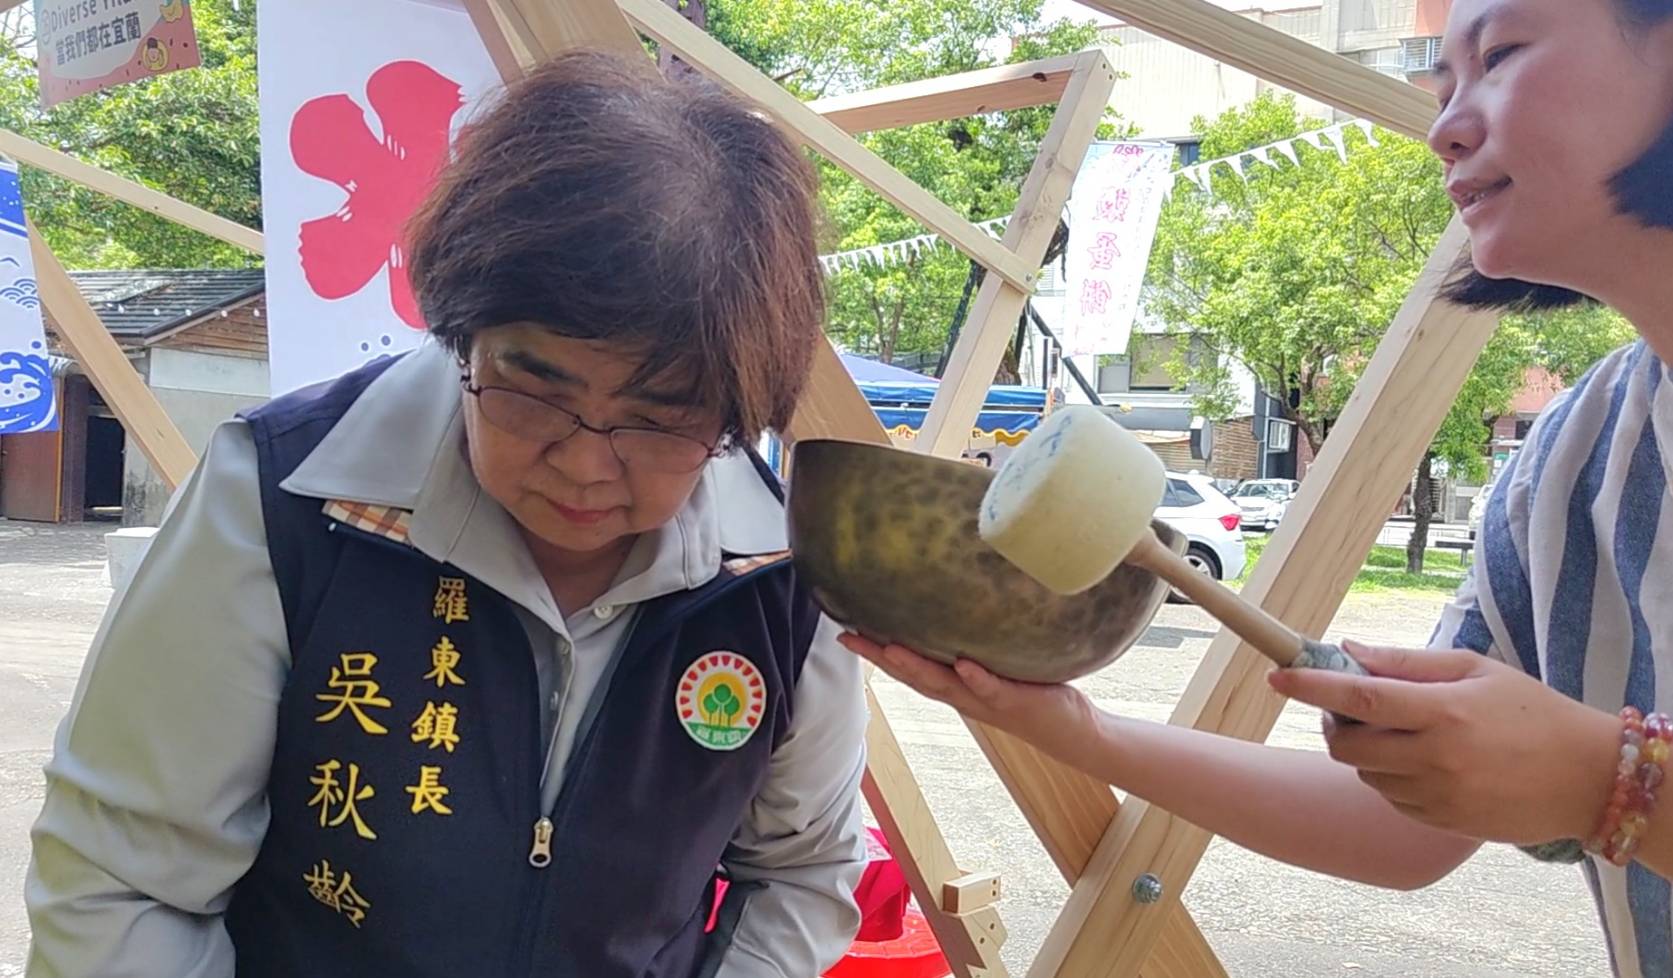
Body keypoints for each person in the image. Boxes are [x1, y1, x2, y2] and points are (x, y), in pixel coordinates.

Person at [845, 0, 1673, 971]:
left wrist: (1607, 786)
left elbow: (1585, 784)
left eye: (1500, 54)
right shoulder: (1569, 460)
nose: (1443, 124)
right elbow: (1405, 830)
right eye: (1442, 85)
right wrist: (1067, 729)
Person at [26, 52, 869, 978]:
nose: (586, 464)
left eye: (661, 416)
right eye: (532, 386)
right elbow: (122, 887)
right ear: (457, 331)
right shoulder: (283, 501)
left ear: (738, 410)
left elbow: (801, 870)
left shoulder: (781, 576)